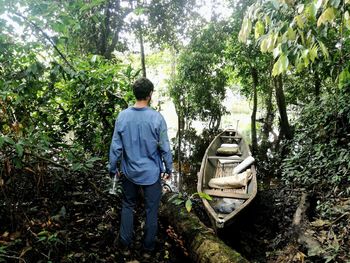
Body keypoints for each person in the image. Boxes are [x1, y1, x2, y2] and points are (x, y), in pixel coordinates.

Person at [109, 77, 173, 257]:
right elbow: (165, 148)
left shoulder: (122, 116)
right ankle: (148, 249)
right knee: (151, 210)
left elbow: (116, 147)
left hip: (129, 173)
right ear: (150, 94)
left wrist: (112, 168)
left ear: (134, 94)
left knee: (128, 205)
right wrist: (169, 169)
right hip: (152, 175)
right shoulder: (157, 118)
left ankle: (125, 245)